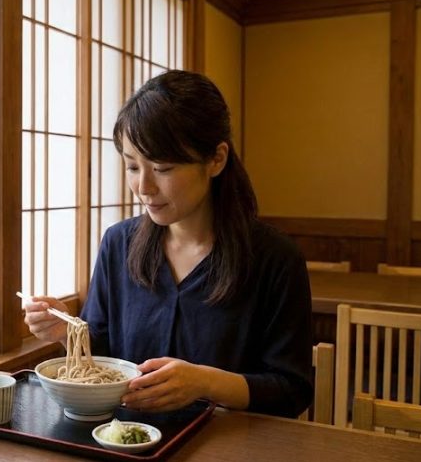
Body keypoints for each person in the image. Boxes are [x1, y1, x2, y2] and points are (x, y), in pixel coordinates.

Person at [23, 70, 312, 418]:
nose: (143, 187)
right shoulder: (119, 244)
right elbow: (103, 351)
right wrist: (66, 332)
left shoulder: (274, 259)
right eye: (132, 167)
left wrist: (205, 382)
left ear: (216, 159)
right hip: (125, 440)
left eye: (162, 168)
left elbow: (292, 391)